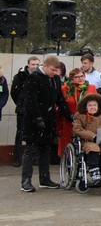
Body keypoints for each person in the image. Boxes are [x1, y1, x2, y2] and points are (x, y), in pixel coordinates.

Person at [21, 56, 73, 192]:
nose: (55, 73)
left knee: (45, 150)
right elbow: (30, 101)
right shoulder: (33, 78)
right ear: (45, 66)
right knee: (30, 151)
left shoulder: (55, 79)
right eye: (53, 70)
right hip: (33, 121)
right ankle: (25, 181)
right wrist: (37, 118)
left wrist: (69, 116)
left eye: (57, 71)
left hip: (49, 120)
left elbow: (60, 100)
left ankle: (44, 179)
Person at [72, 93, 101, 186]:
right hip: (87, 141)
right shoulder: (79, 116)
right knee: (93, 148)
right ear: (86, 107)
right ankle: (95, 175)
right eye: (90, 105)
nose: (92, 107)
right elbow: (77, 130)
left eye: (94, 105)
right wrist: (93, 137)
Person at [57, 68, 97, 157]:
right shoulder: (64, 89)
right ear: (71, 79)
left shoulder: (91, 88)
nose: (80, 78)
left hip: (87, 121)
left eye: (82, 76)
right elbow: (61, 105)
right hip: (69, 120)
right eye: (77, 77)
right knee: (68, 143)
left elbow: (95, 104)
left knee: (86, 143)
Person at [10, 56, 40, 167]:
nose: (35, 67)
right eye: (33, 64)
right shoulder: (19, 77)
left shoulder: (41, 76)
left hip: (36, 110)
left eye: (37, 64)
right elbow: (14, 93)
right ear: (28, 65)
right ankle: (17, 158)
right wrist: (21, 103)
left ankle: (35, 158)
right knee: (20, 134)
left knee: (36, 133)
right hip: (23, 110)